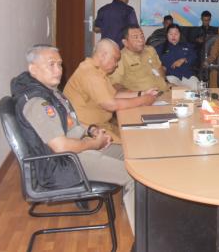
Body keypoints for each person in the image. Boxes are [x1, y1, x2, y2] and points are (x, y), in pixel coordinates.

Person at [10, 45, 136, 233]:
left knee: (133, 154)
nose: (58, 70)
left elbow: (69, 123)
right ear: (33, 69)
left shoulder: (50, 91)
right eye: (51, 64)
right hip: (63, 163)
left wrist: (91, 129)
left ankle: (133, 203)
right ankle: (145, 239)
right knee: (134, 175)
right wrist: (94, 143)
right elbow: (60, 146)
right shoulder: (37, 102)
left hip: (76, 151)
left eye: (59, 64)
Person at [65, 39, 159, 142]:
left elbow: (114, 95)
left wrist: (142, 94)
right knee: (133, 142)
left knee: (136, 136)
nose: (117, 64)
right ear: (103, 55)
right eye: (115, 59)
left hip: (102, 125)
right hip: (89, 131)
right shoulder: (90, 73)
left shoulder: (97, 70)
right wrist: (143, 100)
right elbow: (111, 104)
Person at [110, 26, 169, 93]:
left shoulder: (150, 50)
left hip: (166, 91)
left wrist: (167, 83)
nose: (141, 40)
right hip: (146, 97)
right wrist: (137, 95)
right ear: (125, 42)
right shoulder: (120, 58)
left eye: (142, 36)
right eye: (136, 37)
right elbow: (115, 85)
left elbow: (159, 69)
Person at [159, 24, 199, 89]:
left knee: (198, 88)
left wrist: (184, 59)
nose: (173, 36)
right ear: (167, 35)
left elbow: (195, 57)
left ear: (180, 34)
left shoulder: (187, 46)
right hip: (171, 77)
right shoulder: (160, 48)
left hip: (187, 76)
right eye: (171, 34)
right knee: (174, 91)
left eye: (176, 34)